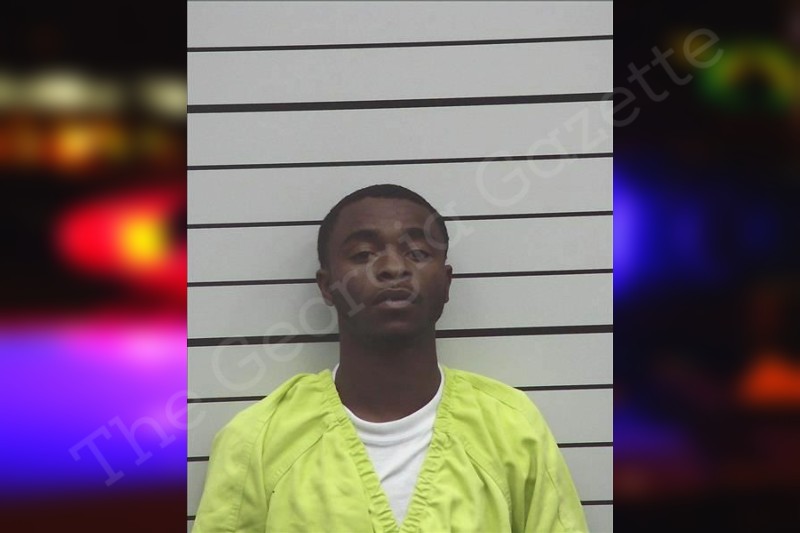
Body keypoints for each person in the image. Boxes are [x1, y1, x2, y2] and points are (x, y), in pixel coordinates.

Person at [192, 184, 588, 532]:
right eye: (363, 254)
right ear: (327, 287)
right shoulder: (257, 442)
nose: (394, 268)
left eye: (416, 252)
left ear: (446, 283)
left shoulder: (511, 429)